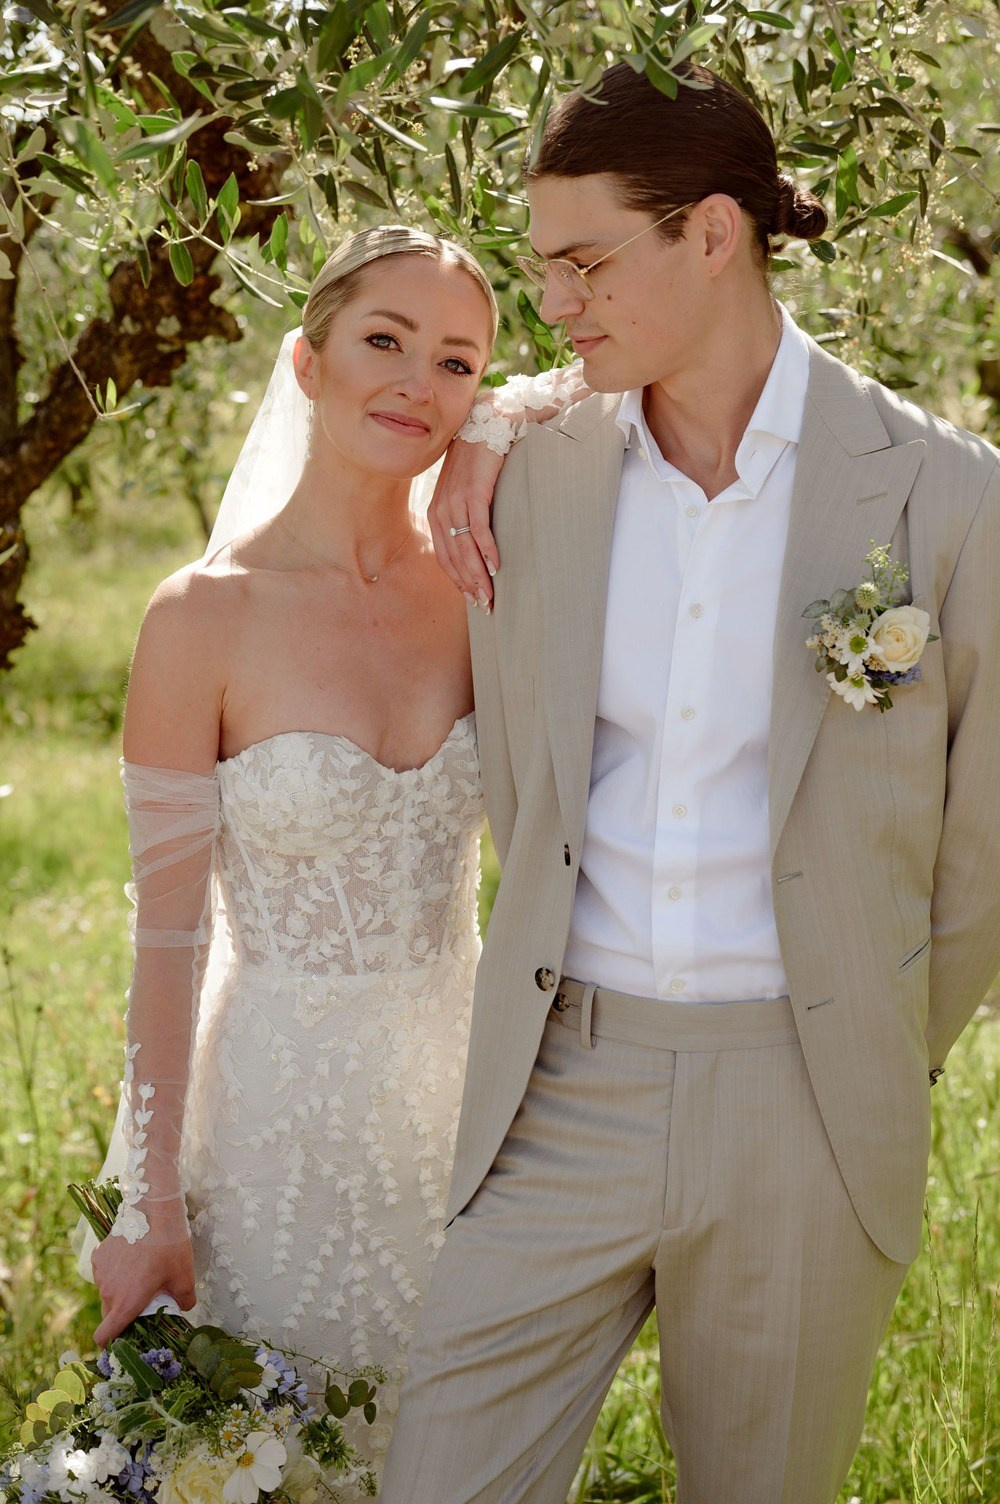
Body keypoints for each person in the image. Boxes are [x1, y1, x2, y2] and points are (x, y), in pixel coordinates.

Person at [381, 62, 1000, 1504]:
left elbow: (982, 851)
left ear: (713, 233)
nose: (555, 302)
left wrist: (865, 1049)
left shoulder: (949, 496)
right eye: (545, 268)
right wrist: (489, 421)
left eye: (587, 263)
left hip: (806, 1101)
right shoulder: (526, 469)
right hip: (558, 1083)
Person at [86, 225, 503, 1491]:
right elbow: (168, 939)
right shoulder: (200, 615)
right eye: (384, 340)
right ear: (306, 361)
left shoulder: (486, 583)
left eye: (457, 363)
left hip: (465, 1122)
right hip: (274, 1133)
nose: (418, 384)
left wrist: (497, 439)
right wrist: (152, 1199)